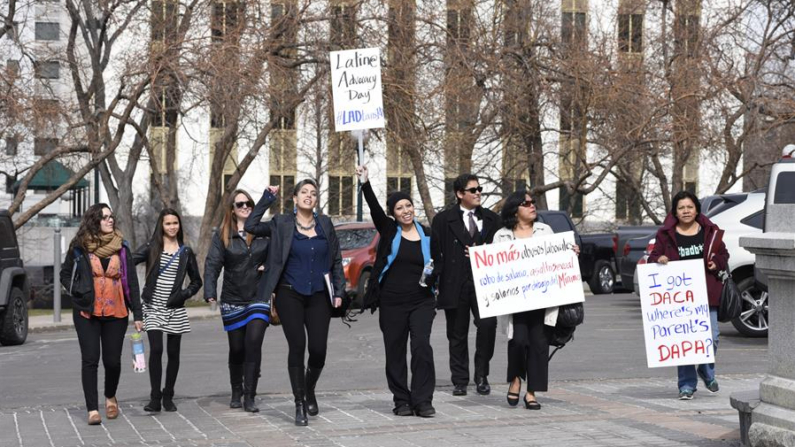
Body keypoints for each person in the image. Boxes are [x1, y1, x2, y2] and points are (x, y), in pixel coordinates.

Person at [244, 180, 345, 426]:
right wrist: (267, 197)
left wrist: (340, 290)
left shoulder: (325, 224)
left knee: (318, 350)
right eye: (304, 193)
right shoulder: (281, 223)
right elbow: (251, 225)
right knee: (297, 345)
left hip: (320, 294)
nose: (309, 196)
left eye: (313, 193)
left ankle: (309, 388)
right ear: (295, 198)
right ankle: (299, 403)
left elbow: (336, 258)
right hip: (290, 293)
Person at [356, 165, 436, 417]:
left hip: (422, 300)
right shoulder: (390, 231)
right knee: (395, 350)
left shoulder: (427, 234)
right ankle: (401, 399)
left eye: (408, 206)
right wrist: (365, 183)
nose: (406, 211)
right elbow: (375, 210)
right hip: (392, 302)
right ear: (393, 213)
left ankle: (422, 400)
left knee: (422, 346)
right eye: (399, 208)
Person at [495, 191, 579, 410]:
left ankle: (531, 392)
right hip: (515, 301)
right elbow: (493, 268)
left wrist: (571, 254)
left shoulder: (545, 231)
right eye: (527, 203)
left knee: (539, 344)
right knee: (519, 341)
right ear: (515, 210)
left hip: (543, 300)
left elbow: (558, 259)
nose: (533, 206)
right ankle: (515, 378)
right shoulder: (502, 235)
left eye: (533, 203)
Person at [60, 204, 143, 425]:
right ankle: (92, 409)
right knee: (90, 360)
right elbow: (65, 274)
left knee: (113, 361)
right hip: (87, 312)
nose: (110, 220)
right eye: (105, 217)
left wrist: (139, 314)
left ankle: (110, 396)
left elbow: (132, 282)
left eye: (111, 216)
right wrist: (76, 291)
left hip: (117, 311)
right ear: (94, 221)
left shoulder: (122, 248)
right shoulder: (79, 247)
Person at [648, 190, 729, 400]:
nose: (686, 211)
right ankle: (686, 385)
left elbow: (723, 254)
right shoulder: (665, 234)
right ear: (675, 211)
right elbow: (653, 257)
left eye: (690, 207)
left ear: (696, 209)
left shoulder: (710, 231)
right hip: (679, 296)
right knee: (684, 342)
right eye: (681, 208)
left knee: (712, 337)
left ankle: (705, 368)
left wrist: (716, 262)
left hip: (706, 292)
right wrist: (660, 259)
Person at [431, 173, 502, 396]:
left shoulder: (492, 219)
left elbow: (504, 251)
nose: (478, 193)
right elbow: (436, 254)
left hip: (485, 284)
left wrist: (482, 253)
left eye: (479, 189)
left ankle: (482, 375)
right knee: (457, 333)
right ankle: (460, 380)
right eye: (473, 190)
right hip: (455, 282)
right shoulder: (443, 220)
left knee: (488, 327)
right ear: (460, 194)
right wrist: (434, 284)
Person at [204, 190, 270, 412]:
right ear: (232, 209)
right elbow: (212, 264)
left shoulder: (264, 232)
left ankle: (250, 395)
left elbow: (280, 256)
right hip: (233, 298)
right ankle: (236, 390)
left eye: (248, 203)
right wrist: (210, 290)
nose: (245, 206)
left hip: (259, 296)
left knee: (254, 342)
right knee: (237, 348)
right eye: (239, 204)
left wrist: (268, 267)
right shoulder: (223, 234)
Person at [134, 208, 202, 412]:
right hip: (153, 305)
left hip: (175, 307)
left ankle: (168, 395)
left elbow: (196, 282)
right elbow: (128, 261)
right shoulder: (151, 247)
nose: (172, 227)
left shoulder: (185, 251)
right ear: (161, 226)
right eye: (168, 223)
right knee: (156, 349)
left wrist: (183, 295)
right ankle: (155, 397)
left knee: (174, 353)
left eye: (175, 223)